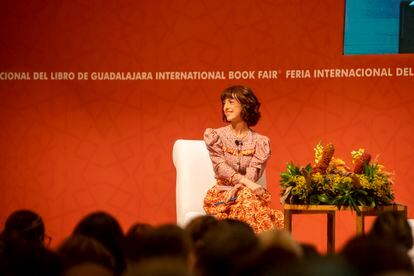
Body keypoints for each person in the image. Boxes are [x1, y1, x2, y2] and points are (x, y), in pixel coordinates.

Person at [203, 85, 284, 233]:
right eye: (224, 103)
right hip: (223, 196)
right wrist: (246, 183)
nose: (226, 107)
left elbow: (253, 174)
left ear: (245, 105)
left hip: (249, 195)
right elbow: (221, 168)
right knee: (258, 208)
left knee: (247, 199)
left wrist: (244, 186)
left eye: (231, 102)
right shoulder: (215, 136)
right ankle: (264, 249)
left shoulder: (260, 142)